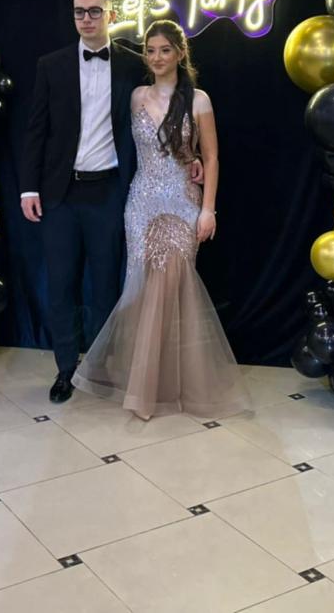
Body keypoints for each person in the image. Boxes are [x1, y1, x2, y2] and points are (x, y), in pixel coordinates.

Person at [72, 21, 249, 420]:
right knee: (140, 289)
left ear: (180, 53)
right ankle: (142, 383)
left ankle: (161, 389)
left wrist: (208, 209)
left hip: (182, 202)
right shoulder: (136, 96)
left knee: (170, 291)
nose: (156, 57)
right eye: (150, 50)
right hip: (141, 202)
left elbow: (212, 157)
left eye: (165, 50)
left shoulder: (198, 100)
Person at [22, 0, 159, 403]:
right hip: (60, 194)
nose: (86, 19)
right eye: (79, 12)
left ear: (111, 15)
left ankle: (100, 369)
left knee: (106, 287)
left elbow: (162, 109)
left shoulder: (134, 65)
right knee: (61, 285)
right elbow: (36, 130)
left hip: (109, 192)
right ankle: (66, 369)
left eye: (95, 11)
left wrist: (186, 156)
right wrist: (28, 188)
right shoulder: (51, 65)